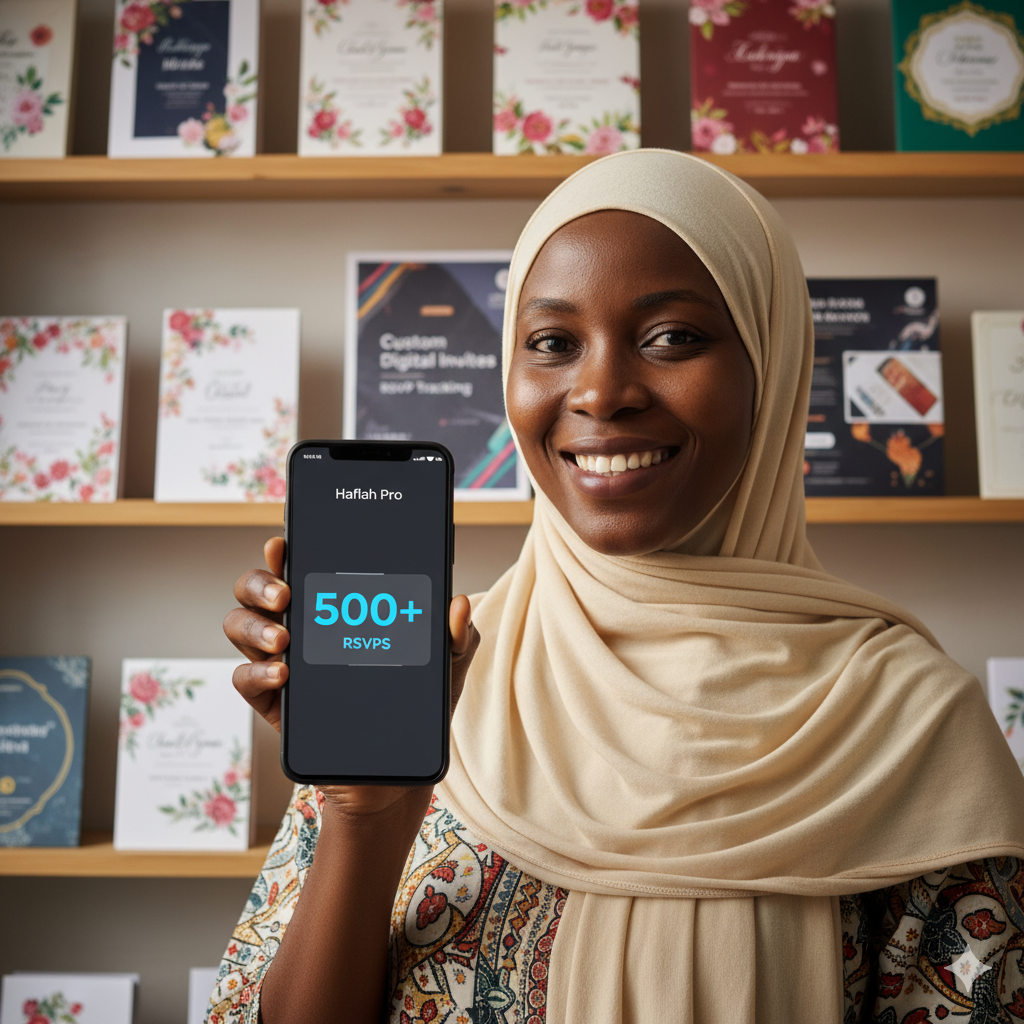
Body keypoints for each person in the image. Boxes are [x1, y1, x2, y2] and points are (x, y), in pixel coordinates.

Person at [210, 150, 1024, 1024]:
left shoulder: (910, 721)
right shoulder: (432, 670)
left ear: (774, 367)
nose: (600, 392)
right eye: (553, 342)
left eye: (672, 336)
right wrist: (364, 819)